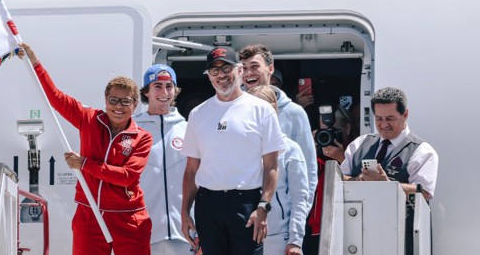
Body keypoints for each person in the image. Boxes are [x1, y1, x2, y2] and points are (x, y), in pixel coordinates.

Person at [19, 43, 153, 255]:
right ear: (105, 100)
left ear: (135, 105)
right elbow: (55, 97)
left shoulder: (142, 137)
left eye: (125, 102)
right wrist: (35, 63)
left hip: (127, 217)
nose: (118, 106)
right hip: (90, 212)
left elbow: (127, 177)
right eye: (113, 100)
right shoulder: (89, 119)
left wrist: (85, 165)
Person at [180, 46, 286, 255]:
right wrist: (184, 213)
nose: (221, 75)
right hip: (207, 205)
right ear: (209, 76)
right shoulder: (198, 114)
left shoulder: (261, 110)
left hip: (246, 203)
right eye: (214, 70)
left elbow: (271, 166)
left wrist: (263, 206)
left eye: (226, 68)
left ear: (239, 71)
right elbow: (191, 170)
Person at [342, 87, 439, 255]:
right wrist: (359, 182)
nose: (384, 124)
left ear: (405, 114)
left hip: (401, 238)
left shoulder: (422, 151)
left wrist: (385, 185)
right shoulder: (359, 144)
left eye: (390, 118)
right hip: (361, 237)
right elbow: (340, 180)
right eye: (379, 118)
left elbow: (423, 192)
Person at [239, 45, 318, 207]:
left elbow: (308, 170)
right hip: (241, 214)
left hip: (280, 221)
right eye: (244, 68)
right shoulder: (231, 110)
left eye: (254, 67)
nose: (248, 73)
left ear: (270, 69)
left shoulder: (294, 113)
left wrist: (299, 217)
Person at [134, 64, 191, 254]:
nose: (164, 92)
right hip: (143, 231)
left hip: (184, 232)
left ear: (175, 91)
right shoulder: (132, 128)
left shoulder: (189, 128)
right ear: (146, 92)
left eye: (169, 86)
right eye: (157, 86)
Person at [248, 86, 311, 255]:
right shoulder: (240, 149)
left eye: (263, 108)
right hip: (246, 236)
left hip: (280, 239)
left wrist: (295, 240)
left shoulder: (291, 149)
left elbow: (300, 198)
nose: (257, 115)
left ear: (274, 108)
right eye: (252, 109)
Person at [302, 100, 357, 255]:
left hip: (346, 226)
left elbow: (359, 183)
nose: (327, 135)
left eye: (332, 129)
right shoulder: (314, 155)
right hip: (313, 229)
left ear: (347, 127)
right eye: (323, 130)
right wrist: (309, 149)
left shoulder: (358, 151)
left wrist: (341, 157)